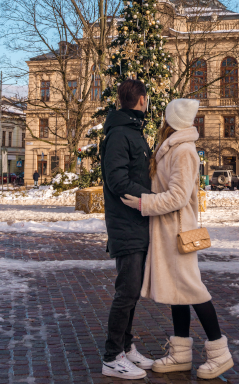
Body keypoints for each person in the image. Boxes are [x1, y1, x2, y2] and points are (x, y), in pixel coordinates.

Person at [121, 98, 234, 380]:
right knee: (179, 294)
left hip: (179, 232)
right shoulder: (173, 148)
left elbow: (178, 197)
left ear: (171, 120)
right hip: (169, 231)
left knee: (193, 291)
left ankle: (220, 353)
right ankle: (181, 354)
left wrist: (142, 204)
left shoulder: (183, 150)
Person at [100, 79, 154, 380]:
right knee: (127, 292)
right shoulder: (121, 133)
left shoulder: (131, 131)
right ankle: (111, 356)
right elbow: (117, 180)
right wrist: (152, 198)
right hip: (126, 223)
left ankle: (126, 346)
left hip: (137, 222)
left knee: (132, 292)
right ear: (142, 100)